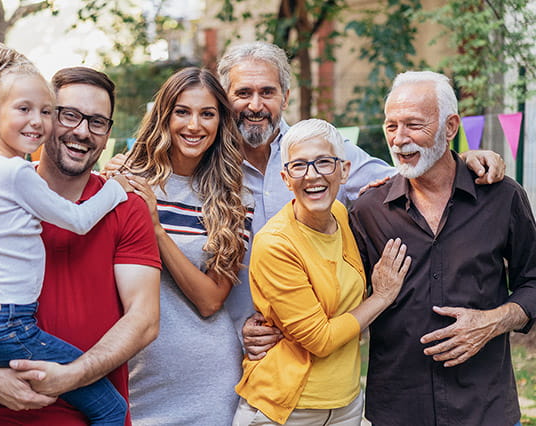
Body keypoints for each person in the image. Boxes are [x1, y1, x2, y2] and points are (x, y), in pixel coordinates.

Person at [211, 41, 507, 352]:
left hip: (325, 345)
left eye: (267, 92)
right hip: (236, 342)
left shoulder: (322, 151)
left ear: (285, 97)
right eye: (243, 93)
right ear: (225, 98)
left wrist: (464, 160)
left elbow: (409, 177)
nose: (255, 105)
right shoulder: (208, 163)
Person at [0, 65, 161, 425]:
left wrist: (73, 375)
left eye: (97, 122)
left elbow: (143, 320)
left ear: (108, 133)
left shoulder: (126, 207)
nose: (82, 131)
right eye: (68, 115)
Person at [348, 71, 536, 425]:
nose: (399, 140)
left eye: (413, 125)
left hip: (487, 409)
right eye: (391, 126)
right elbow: (338, 301)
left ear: (450, 127)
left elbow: (534, 280)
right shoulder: (367, 210)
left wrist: (492, 321)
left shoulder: (502, 196)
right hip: (399, 412)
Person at [233, 119, 411, 425]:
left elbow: (415, 177)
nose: (312, 175)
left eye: (324, 163)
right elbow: (320, 339)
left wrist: (466, 162)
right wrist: (381, 297)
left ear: (343, 171)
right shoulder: (275, 244)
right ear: (286, 178)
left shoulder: (341, 215)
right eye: (299, 166)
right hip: (286, 409)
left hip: (346, 403)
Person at [117, 67, 253, 425]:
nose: (194, 125)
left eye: (207, 114)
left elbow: (211, 301)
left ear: (220, 122)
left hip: (209, 381)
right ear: (164, 115)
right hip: (133, 374)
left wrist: (156, 230)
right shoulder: (126, 180)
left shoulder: (234, 199)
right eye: (183, 111)